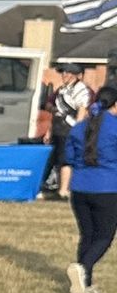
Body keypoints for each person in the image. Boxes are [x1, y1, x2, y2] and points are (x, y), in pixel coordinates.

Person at [65, 83, 117, 293]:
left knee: (87, 235)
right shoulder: (114, 127)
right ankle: (83, 267)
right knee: (105, 235)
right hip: (107, 187)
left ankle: (83, 285)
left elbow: (68, 158)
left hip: (79, 188)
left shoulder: (78, 128)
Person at [52, 65, 93, 200]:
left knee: (66, 160)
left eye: (68, 73)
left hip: (69, 129)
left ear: (77, 75)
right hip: (58, 128)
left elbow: (82, 111)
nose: (64, 75)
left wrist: (78, 130)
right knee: (58, 160)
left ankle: (64, 191)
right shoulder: (62, 89)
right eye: (63, 72)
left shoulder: (80, 90)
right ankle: (60, 188)